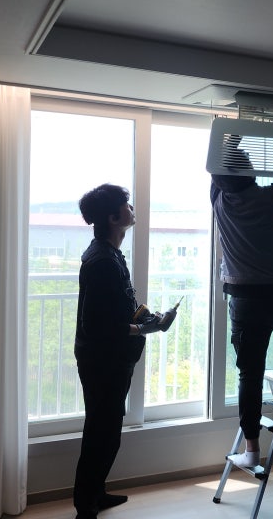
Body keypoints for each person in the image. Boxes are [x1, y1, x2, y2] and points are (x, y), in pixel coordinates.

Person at [210, 136, 273, 468]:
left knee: (250, 374)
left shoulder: (219, 199)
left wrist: (233, 134)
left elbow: (216, 166)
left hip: (245, 299)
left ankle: (252, 450)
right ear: (252, 172)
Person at [73, 184, 175, 518]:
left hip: (110, 359)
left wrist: (147, 318)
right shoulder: (103, 261)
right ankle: (85, 505)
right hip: (102, 361)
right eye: (126, 205)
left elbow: (118, 309)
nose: (132, 209)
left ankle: (95, 494)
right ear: (113, 217)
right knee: (101, 433)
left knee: (107, 431)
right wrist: (147, 329)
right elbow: (97, 326)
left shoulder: (110, 254)